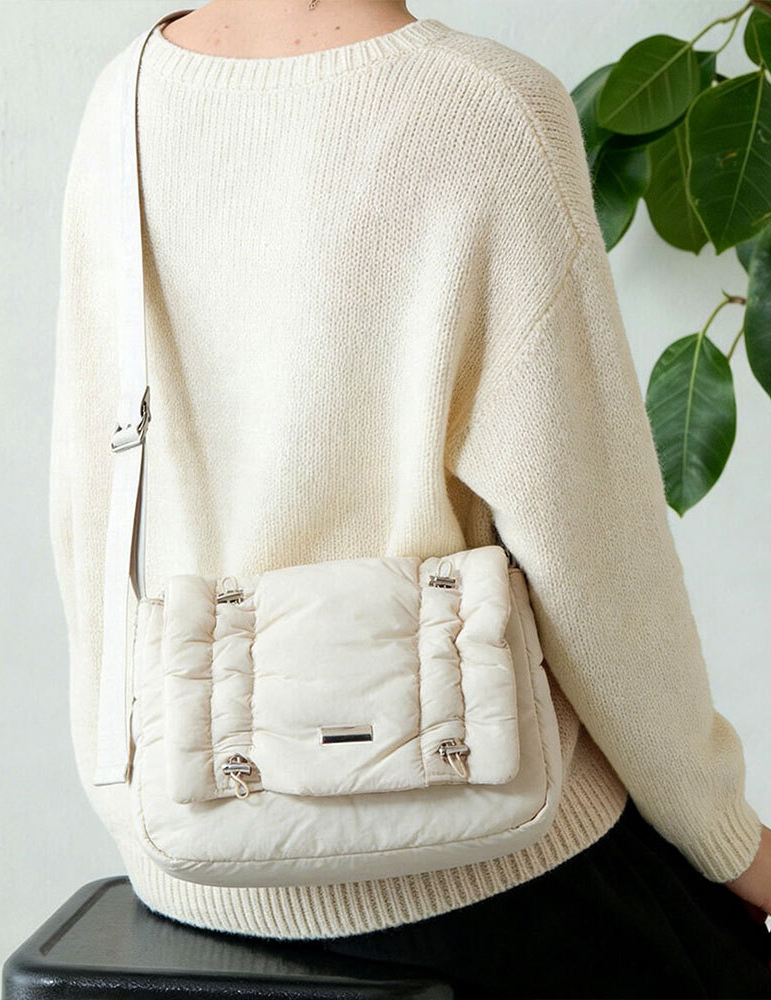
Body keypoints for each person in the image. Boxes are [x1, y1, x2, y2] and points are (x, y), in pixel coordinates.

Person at [49, 1, 771, 995]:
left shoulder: (124, 99)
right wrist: (728, 836)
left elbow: (90, 503)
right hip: (482, 851)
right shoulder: (488, 110)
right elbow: (597, 560)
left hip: (194, 849)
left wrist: (131, 800)